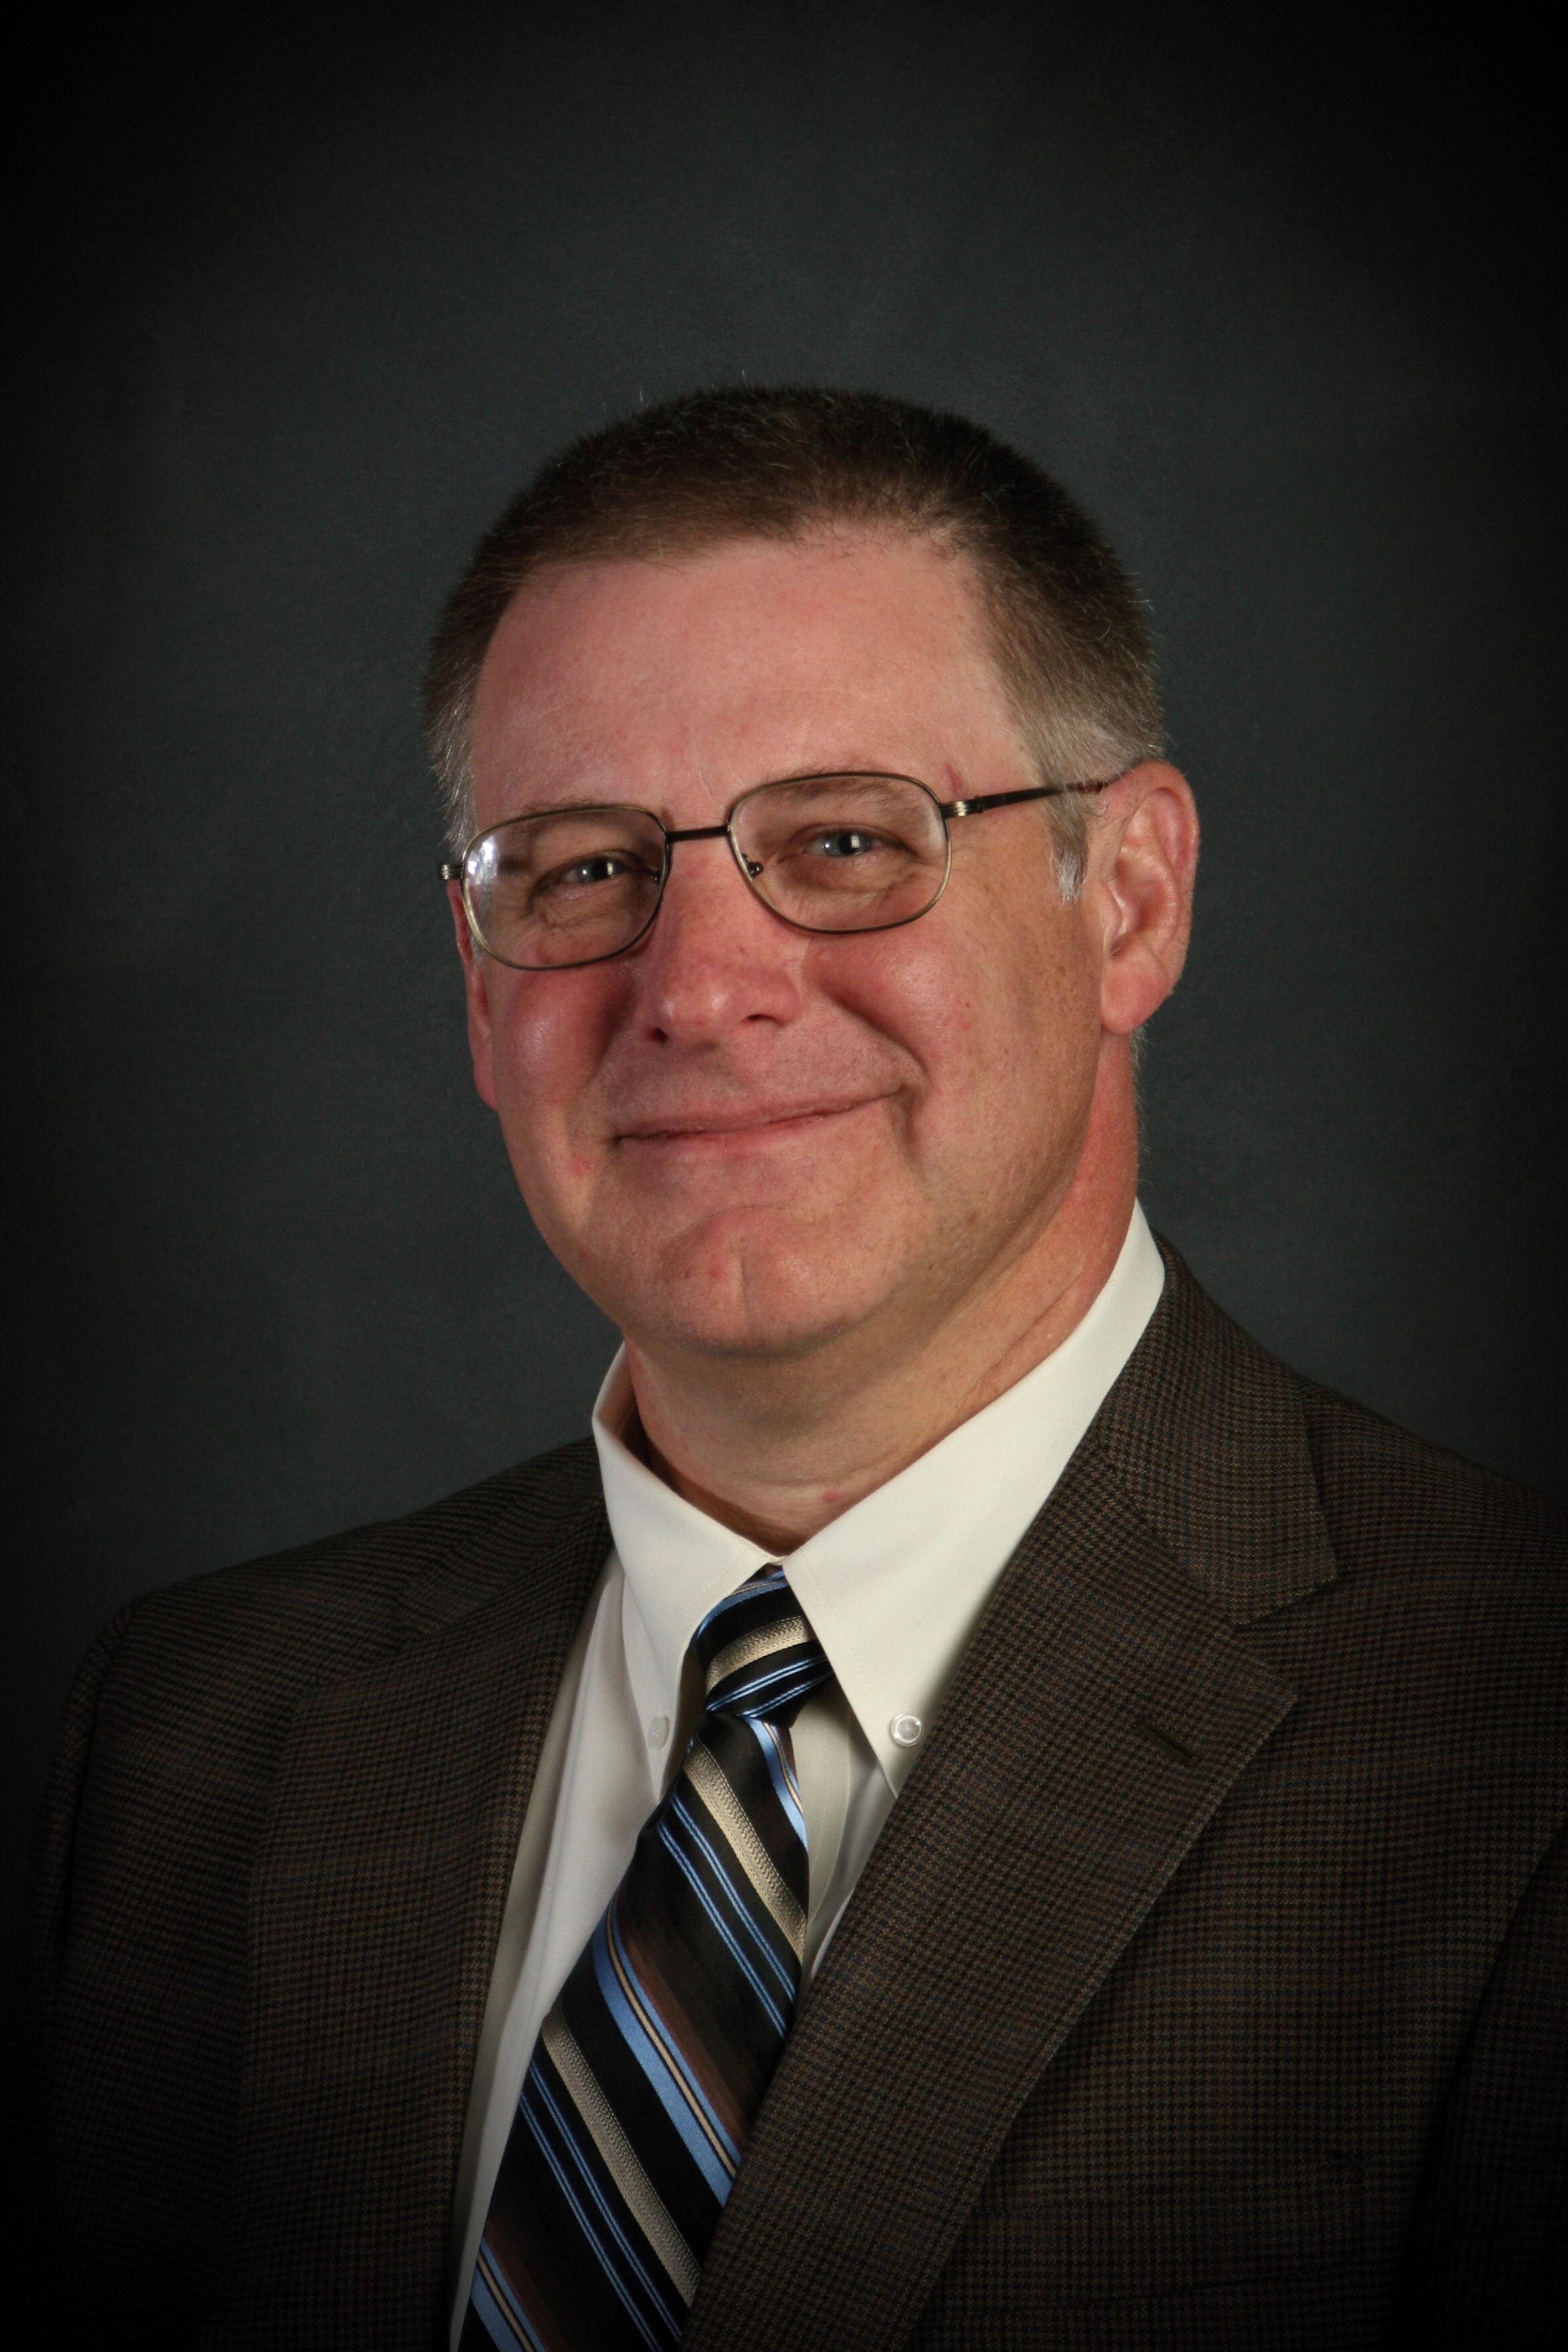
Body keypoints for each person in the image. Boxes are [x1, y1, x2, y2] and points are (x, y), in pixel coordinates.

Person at [10, 387, 1565, 2351]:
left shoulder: (1514, 1743)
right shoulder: (199, 1737)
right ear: (478, 992)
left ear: (1134, 902)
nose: (697, 985)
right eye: (578, 870)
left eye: (844, 840)